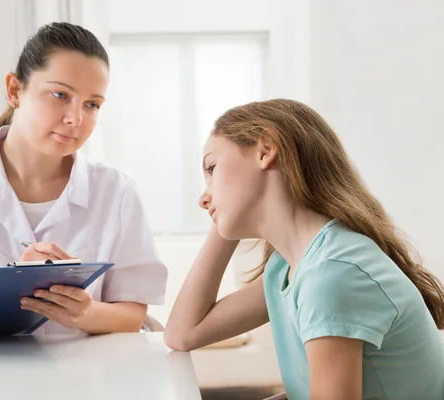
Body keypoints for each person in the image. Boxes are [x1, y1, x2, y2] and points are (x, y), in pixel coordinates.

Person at [0, 22, 167, 339]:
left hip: (83, 380)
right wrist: (18, 282)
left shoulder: (116, 191)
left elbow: (133, 314)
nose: (75, 119)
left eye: (92, 104)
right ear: (15, 90)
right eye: (60, 95)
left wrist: (86, 312)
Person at [164, 99, 444, 399]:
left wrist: (230, 206)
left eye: (212, 167)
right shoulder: (287, 268)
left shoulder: (334, 272)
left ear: (266, 150)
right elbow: (183, 333)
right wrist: (225, 214)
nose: (202, 198)